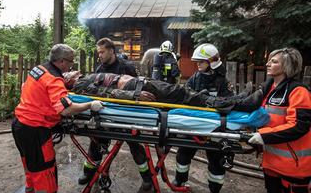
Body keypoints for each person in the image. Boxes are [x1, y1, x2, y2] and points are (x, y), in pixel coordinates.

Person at [11, 44, 103, 193]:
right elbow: (66, 109)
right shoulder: (54, 79)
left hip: (19, 124)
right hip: (36, 130)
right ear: (61, 61)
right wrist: (90, 104)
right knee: (44, 171)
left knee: (30, 164)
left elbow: (27, 88)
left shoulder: (38, 69)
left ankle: (30, 192)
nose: (71, 66)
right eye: (70, 62)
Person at [78, 38, 153, 191]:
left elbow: (136, 90)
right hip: (106, 113)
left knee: (135, 146)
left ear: (112, 51)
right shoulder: (100, 69)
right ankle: (89, 173)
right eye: (98, 52)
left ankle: (147, 178)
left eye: (102, 52)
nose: (100, 55)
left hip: (125, 114)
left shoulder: (127, 68)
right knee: (96, 144)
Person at [173, 43, 238, 193]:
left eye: (201, 62)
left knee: (216, 160)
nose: (198, 65)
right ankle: (180, 180)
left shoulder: (223, 82)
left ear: (212, 62)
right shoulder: (195, 77)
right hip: (195, 125)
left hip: (215, 127)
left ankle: (214, 190)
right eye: (197, 62)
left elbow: (228, 103)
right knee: (183, 154)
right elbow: (186, 96)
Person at [248, 48, 311, 193]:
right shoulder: (270, 90)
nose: (268, 64)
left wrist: (262, 136)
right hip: (271, 163)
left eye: (274, 62)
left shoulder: (298, 91)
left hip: (294, 167)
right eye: (269, 60)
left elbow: (298, 125)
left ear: (287, 66)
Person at [64, 71, 262, 113]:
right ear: (68, 80)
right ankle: (241, 104)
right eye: (69, 71)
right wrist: (134, 95)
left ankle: (235, 100)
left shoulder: (85, 77)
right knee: (186, 95)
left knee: (186, 94)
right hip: (138, 89)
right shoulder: (80, 86)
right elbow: (106, 94)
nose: (74, 69)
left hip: (142, 83)